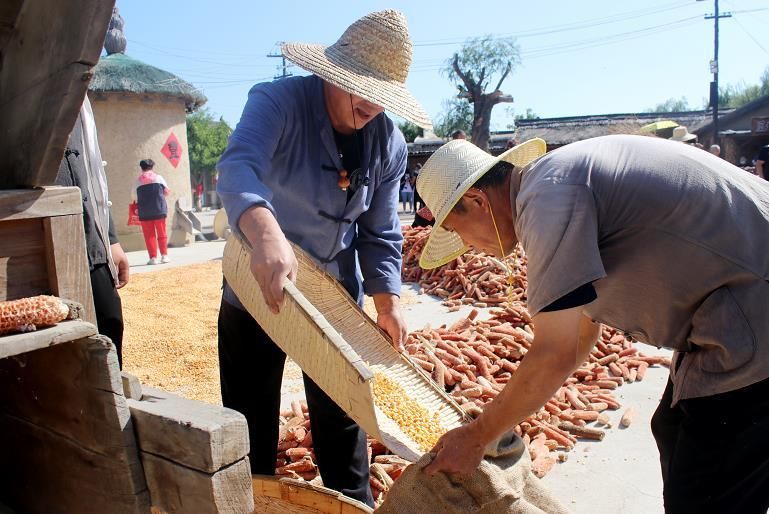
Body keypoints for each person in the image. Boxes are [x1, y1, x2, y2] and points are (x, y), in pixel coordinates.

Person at [415, 135, 769, 513]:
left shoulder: (547, 200)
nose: (467, 246)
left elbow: (556, 351)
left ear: (477, 201)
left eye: (455, 231)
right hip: (728, 309)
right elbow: (584, 330)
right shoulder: (552, 185)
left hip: (752, 311)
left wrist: (478, 435)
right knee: (672, 427)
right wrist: (498, 419)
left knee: (710, 481)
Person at [215, 10, 429, 507]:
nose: (372, 104)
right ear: (332, 74)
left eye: (384, 94)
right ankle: (253, 501)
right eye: (360, 86)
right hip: (258, 289)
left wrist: (388, 300)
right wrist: (266, 233)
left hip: (335, 301)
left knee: (343, 420)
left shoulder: (388, 142)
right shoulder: (278, 103)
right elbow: (238, 165)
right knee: (250, 424)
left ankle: (352, 501)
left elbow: (379, 232)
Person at [56, 96, 129, 367]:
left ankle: (110, 405)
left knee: (109, 322)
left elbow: (91, 167)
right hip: (35, 241)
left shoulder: (78, 96)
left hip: (91, 240)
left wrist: (110, 239)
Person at [135, 159, 170, 265]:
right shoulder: (159, 178)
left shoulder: (138, 181)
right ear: (152, 167)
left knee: (149, 235)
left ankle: (153, 258)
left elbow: (134, 197)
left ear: (141, 168)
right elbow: (167, 191)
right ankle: (164, 256)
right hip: (159, 209)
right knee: (162, 233)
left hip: (145, 211)